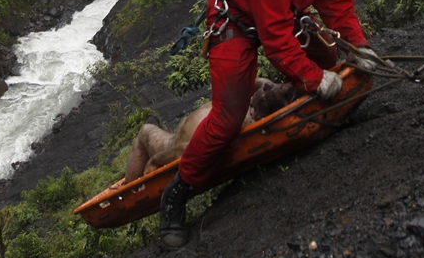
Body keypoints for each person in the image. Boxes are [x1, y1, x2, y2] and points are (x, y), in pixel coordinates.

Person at [157, 0, 384, 249]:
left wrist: (359, 47)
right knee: (227, 119)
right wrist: (313, 80)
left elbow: (337, 1)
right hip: (236, 22)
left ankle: (281, 99)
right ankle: (176, 195)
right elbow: (274, 35)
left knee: (329, 57)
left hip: (282, 11)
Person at [122, 78, 297, 183]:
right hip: (184, 135)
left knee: (145, 130)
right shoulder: (256, 103)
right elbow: (259, 82)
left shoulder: (235, 123)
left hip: (173, 145)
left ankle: (129, 187)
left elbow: (188, 149)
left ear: (258, 112)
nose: (266, 87)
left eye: (267, 91)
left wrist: (154, 160)